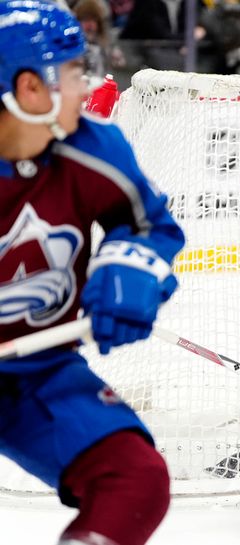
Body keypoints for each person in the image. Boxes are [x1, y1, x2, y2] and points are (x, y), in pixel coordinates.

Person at [0, 2, 185, 544]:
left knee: (133, 480)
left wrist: (130, 271)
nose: (87, 87)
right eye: (74, 71)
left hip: (38, 369)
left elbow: (150, 226)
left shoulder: (95, 148)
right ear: (29, 87)